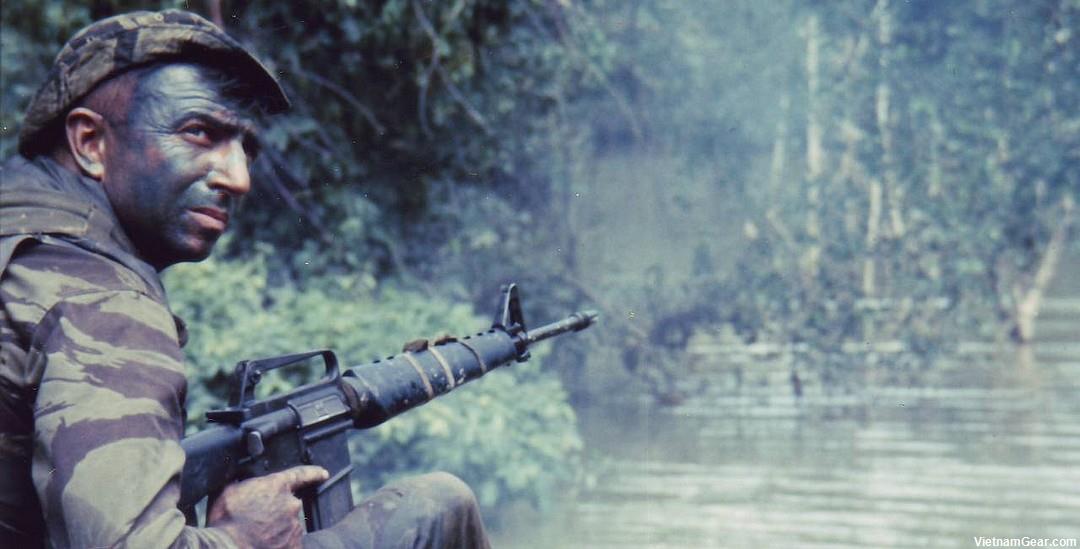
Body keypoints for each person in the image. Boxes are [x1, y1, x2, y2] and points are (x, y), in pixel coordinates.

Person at [0, 10, 490, 549]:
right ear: (91, 142)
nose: (238, 178)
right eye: (199, 132)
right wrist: (241, 537)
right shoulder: (102, 299)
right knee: (437, 506)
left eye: (245, 148)